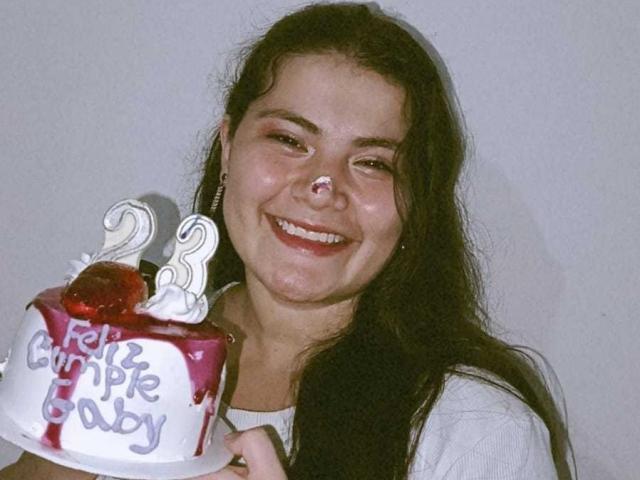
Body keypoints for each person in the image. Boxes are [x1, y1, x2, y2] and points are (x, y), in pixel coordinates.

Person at [0, 3, 574, 479]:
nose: (323, 189)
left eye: (373, 162)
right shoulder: (114, 355)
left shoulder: (478, 434)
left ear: (415, 202)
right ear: (229, 146)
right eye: (290, 140)